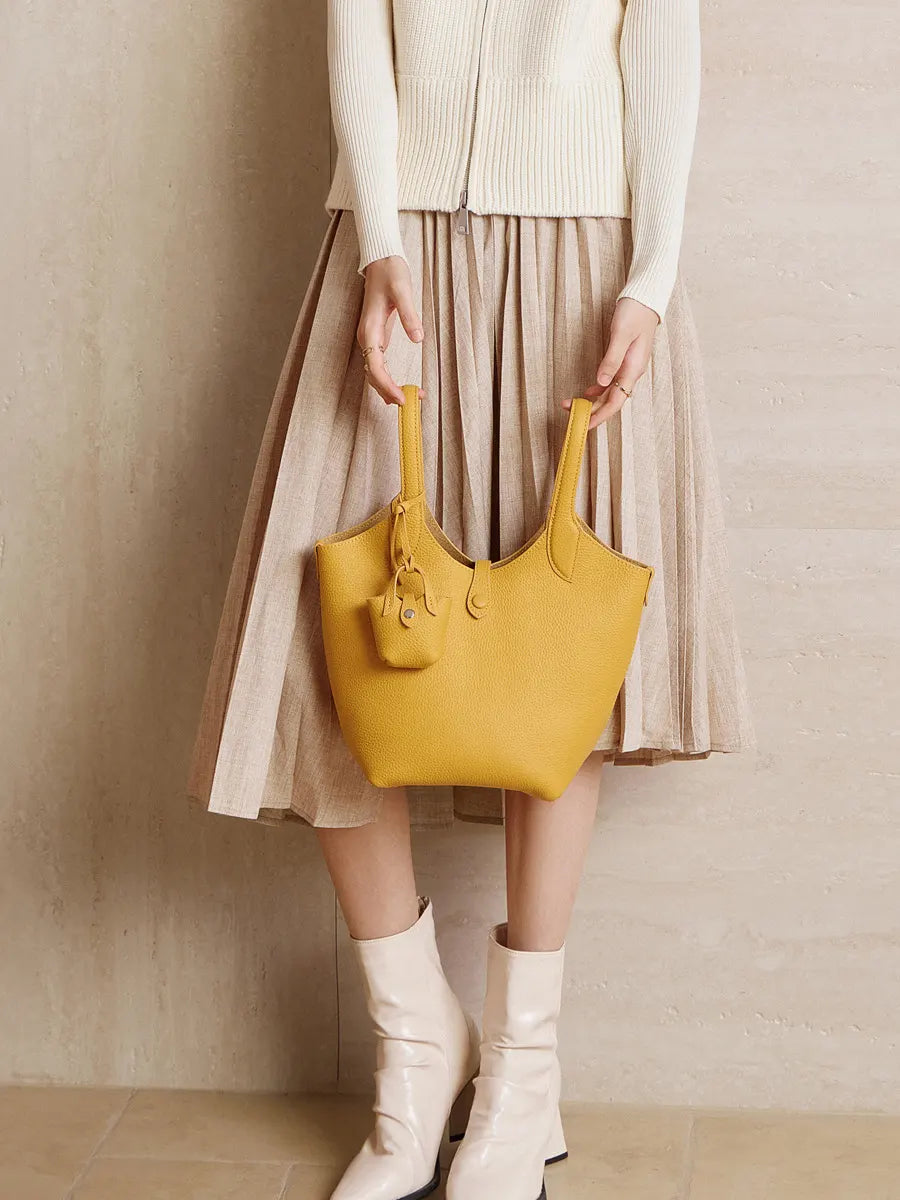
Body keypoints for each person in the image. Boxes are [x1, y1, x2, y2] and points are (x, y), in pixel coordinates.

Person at [188, 2, 755, 1198]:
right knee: (330, 638)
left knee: (558, 647)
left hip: (582, 262)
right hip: (394, 261)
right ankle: (414, 1046)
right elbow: (359, 38)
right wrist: (379, 240)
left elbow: (661, 62)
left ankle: (523, 1079)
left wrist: (649, 281)